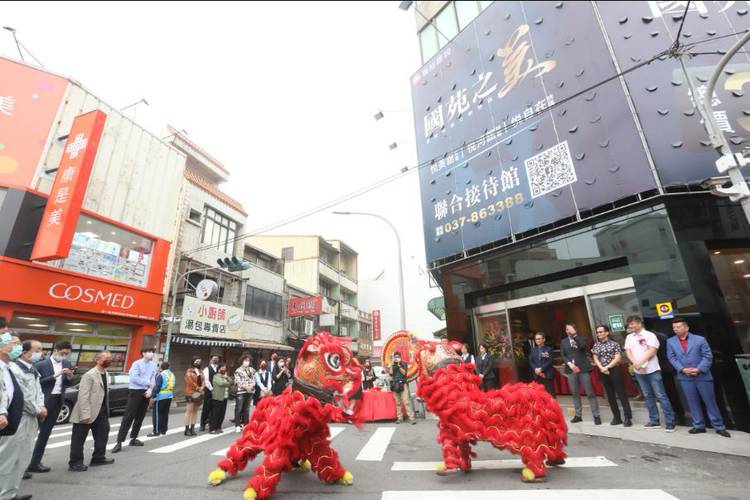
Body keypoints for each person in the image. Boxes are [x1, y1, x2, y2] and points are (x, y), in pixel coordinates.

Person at [667, 317, 731, 438]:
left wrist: (699, 369)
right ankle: (698, 425)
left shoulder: (700, 339)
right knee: (692, 402)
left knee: (710, 401)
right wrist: (682, 369)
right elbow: (672, 357)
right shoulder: (671, 341)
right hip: (685, 376)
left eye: (678, 327)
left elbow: (708, 356)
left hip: (702, 375)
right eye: (674, 327)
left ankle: (719, 426)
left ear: (686, 328)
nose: (675, 329)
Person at [4, 340, 46, 499]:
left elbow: (39, 391)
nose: (40, 353)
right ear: (25, 352)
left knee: (22, 458)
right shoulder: (14, 369)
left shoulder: (33, 370)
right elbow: (23, 396)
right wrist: (38, 410)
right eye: (37, 350)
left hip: (32, 418)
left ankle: (11, 493)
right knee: (8, 458)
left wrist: (41, 405)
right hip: (19, 417)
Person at [28, 340, 74, 473]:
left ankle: (35, 463)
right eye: (63, 353)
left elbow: (68, 383)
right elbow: (36, 383)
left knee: (45, 434)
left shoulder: (67, 364)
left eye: (67, 354)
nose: (64, 356)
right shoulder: (41, 364)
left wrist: (70, 376)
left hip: (57, 401)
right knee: (30, 433)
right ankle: (22, 464)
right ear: (55, 351)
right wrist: (54, 376)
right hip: (42, 401)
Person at [624, 315, 675, 432]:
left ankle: (670, 421)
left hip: (652, 369)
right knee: (647, 395)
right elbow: (628, 351)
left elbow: (652, 351)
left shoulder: (650, 335)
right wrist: (635, 364)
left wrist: (640, 363)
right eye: (629, 324)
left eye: (632, 324)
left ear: (639, 323)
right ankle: (654, 420)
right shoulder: (629, 337)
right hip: (638, 371)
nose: (630, 326)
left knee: (661, 395)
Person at [68, 351, 115, 472]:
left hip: (101, 411)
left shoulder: (106, 373)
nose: (109, 360)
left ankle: (99, 458)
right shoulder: (89, 375)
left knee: (102, 435)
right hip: (87, 411)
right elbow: (83, 396)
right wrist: (85, 414)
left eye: (110, 358)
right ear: (98, 360)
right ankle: (75, 462)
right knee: (79, 439)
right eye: (106, 358)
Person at [0, 334, 31, 500]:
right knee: (4, 463)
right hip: (3, 422)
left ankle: (8, 494)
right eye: (15, 343)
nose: (19, 347)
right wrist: (1, 412)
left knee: (10, 462)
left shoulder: (8, 367)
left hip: (11, 422)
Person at [112, 346, 156, 453]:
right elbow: (134, 378)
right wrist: (148, 383)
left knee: (140, 416)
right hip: (135, 391)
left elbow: (153, 377)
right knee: (128, 416)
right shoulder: (137, 364)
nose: (151, 353)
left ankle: (134, 438)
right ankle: (119, 442)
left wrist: (150, 389)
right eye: (149, 351)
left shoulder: (153, 365)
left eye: (152, 352)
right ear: (143, 353)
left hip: (146, 392)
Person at [560, 323, 601, 425]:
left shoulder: (582, 338)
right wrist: (569, 364)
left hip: (583, 369)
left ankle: (596, 415)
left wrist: (574, 335)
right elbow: (563, 355)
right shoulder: (563, 341)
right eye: (567, 329)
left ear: (575, 330)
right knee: (575, 393)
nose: (568, 331)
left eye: (570, 329)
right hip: (571, 369)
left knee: (590, 392)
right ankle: (578, 415)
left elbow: (583, 347)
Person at [592, 325, 632, 427]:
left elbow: (617, 358)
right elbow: (595, 358)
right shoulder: (596, 345)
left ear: (607, 333)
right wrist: (601, 367)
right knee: (610, 395)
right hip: (602, 370)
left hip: (614, 370)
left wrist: (607, 367)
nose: (599, 334)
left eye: (601, 332)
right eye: (597, 332)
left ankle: (627, 417)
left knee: (621, 393)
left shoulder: (614, 344)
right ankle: (617, 417)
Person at [653, 329, 688, 426]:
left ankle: (678, 414)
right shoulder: (661, 336)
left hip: (663, 368)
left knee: (669, 392)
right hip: (661, 367)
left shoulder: (658, 336)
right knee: (668, 392)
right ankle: (677, 414)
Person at [148, 362, 174, 437]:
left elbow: (157, 386)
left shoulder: (161, 375)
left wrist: (153, 396)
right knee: (165, 414)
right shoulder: (171, 374)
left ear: (161, 368)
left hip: (160, 396)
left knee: (157, 414)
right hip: (169, 396)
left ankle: (156, 431)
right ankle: (163, 430)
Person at [391, 352, 416, 424]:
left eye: (398, 357)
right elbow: (391, 373)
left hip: (403, 384)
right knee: (398, 402)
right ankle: (400, 418)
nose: (397, 358)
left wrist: (399, 365)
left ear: (400, 357)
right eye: (395, 357)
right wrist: (392, 364)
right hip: (395, 384)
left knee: (406, 402)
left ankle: (411, 418)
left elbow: (404, 373)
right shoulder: (393, 364)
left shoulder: (404, 363)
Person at [233, 355, 255, 433]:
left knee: (247, 409)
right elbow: (238, 381)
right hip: (241, 391)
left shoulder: (251, 370)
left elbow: (254, 379)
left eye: (248, 361)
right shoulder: (238, 370)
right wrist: (246, 387)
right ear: (242, 361)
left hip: (250, 391)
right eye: (245, 360)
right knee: (239, 408)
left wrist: (251, 386)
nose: (247, 362)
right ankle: (237, 425)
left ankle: (246, 424)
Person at [528, 332, 555, 396]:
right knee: (539, 395)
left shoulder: (549, 349)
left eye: (539, 339)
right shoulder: (533, 350)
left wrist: (541, 369)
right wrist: (535, 368)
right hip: (537, 375)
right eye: (536, 339)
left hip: (547, 374)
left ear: (544, 339)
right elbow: (531, 361)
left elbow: (550, 361)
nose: (537, 340)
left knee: (550, 394)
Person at [183, 356, 204, 436]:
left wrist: (202, 387)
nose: (198, 363)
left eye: (199, 361)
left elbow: (203, 380)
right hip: (190, 392)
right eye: (196, 361)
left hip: (199, 393)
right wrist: (198, 388)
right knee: (189, 410)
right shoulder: (189, 371)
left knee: (195, 411)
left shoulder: (201, 371)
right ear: (193, 362)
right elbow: (189, 381)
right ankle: (186, 429)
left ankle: (192, 428)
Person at [200, 355, 219, 432]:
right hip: (209, 390)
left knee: (214, 408)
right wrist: (212, 389)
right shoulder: (207, 369)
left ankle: (211, 423)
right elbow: (206, 380)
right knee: (206, 408)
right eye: (214, 358)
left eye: (217, 359)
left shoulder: (218, 368)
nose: (215, 360)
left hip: (217, 391)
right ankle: (202, 424)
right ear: (210, 360)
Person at [209, 364, 231, 434]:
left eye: (225, 368)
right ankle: (212, 428)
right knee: (215, 414)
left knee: (222, 413)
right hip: (217, 397)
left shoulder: (225, 376)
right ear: (219, 369)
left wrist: (227, 377)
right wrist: (227, 382)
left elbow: (231, 381)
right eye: (222, 368)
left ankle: (218, 427)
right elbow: (221, 383)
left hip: (225, 397)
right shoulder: (216, 376)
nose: (224, 369)